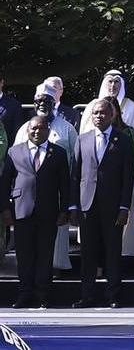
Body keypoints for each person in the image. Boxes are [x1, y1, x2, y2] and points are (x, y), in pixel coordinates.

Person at [0, 115, 71, 309]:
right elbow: (5, 182)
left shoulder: (58, 153)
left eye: (41, 128)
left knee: (45, 256)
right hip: (22, 211)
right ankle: (24, 295)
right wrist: (5, 209)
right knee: (24, 256)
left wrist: (65, 209)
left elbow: (65, 184)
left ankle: (43, 296)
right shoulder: (14, 152)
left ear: (48, 130)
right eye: (33, 129)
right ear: (28, 130)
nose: (37, 131)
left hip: (49, 212)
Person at [72, 97, 134, 307]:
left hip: (113, 206)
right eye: (96, 113)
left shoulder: (123, 140)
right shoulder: (82, 139)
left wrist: (124, 206)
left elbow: (128, 177)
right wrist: (73, 205)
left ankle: (113, 295)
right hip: (87, 204)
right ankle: (86, 295)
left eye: (103, 113)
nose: (99, 116)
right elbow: (75, 174)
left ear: (112, 115)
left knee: (112, 251)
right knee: (88, 251)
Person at [13, 82, 77, 271]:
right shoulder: (25, 128)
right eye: (38, 101)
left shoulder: (67, 128)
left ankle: (56, 270)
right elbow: (14, 162)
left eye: (46, 100)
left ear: (53, 102)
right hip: (27, 200)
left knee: (55, 242)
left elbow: (75, 163)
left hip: (56, 195)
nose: (42, 104)